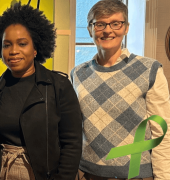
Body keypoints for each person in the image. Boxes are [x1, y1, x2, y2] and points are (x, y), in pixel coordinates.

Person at [70, 0, 170, 180]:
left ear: (126, 28)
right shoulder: (77, 74)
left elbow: (162, 132)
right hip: (89, 174)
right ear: (90, 30)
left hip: (135, 175)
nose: (108, 30)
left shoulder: (150, 70)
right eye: (100, 24)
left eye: (116, 23)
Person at [0, 2, 82, 180]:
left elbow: (72, 143)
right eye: (7, 45)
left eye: (22, 44)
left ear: (35, 48)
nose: (14, 51)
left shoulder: (59, 86)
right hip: (3, 174)